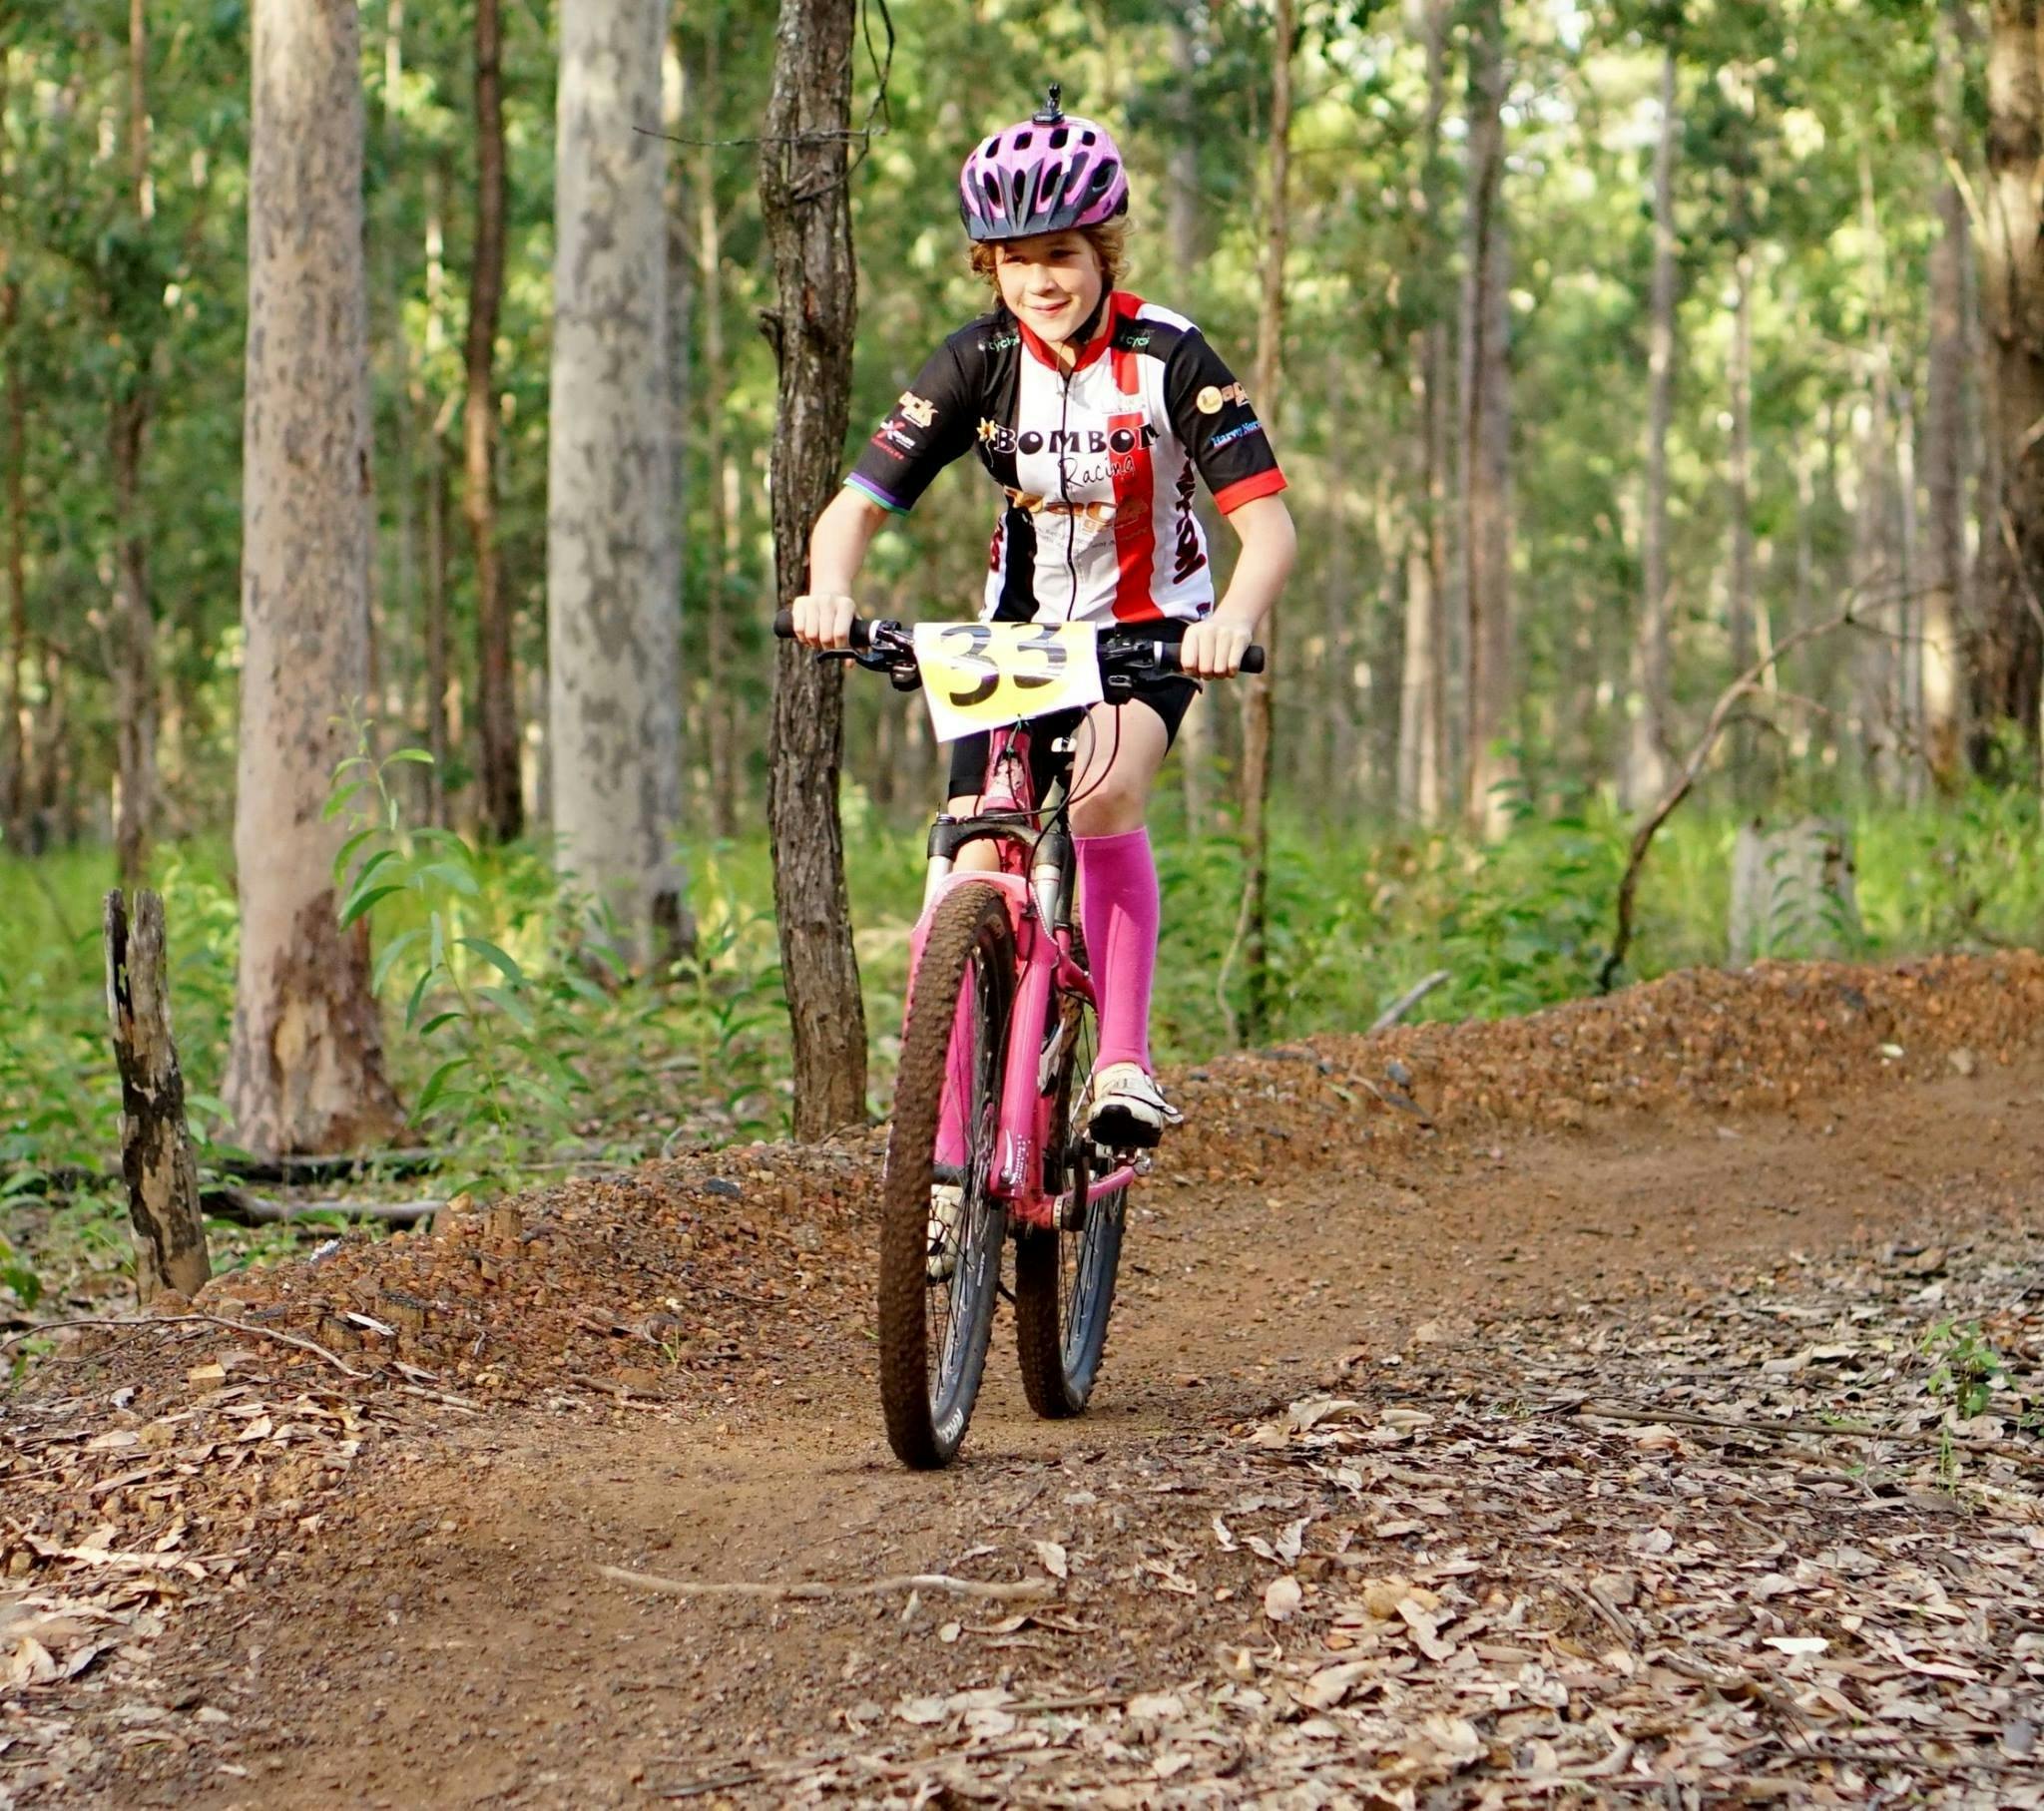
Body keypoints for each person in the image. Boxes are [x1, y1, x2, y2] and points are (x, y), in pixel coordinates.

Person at [789, 84, 1295, 1187]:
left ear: (1101, 246)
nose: (1040, 280)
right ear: (988, 265)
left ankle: (1119, 1059)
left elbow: (1266, 526)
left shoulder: (1170, 357)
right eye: (1014, 259)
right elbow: (855, 509)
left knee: (1107, 794)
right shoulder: (975, 362)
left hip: (1147, 634)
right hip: (1011, 644)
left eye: (1059, 252)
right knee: (972, 850)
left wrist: (1235, 623)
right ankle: (941, 1160)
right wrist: (829, 589)